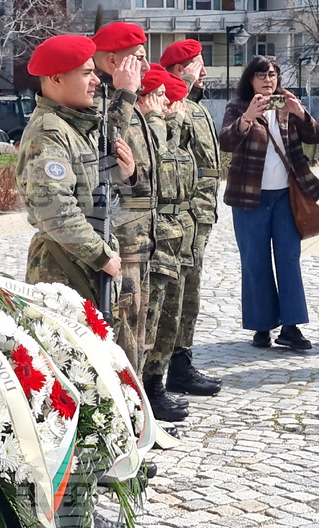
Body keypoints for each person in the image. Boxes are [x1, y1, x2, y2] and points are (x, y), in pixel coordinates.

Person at [17, 35, 134, 300]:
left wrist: (120, 174)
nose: (96, 81)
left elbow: (87, 186)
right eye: (86, 74)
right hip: (63, 271)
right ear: (56, 79)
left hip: (80, 263)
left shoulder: (73, 124)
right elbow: (54, 208)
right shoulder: (49, 132)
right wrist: (101, 255)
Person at [219, 56, 319, 349]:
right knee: (255, 261)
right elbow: (225, 141)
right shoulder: (238, 106)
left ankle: (291, 327)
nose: (268, 79)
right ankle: (262, 326)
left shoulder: (285, 105)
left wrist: (300, 113)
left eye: (273, 75)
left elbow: (315, 136)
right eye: (261, 75)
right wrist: (247, 118)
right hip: (249, 196)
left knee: (289, 258)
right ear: (250, 79)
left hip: (286, 196)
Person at [91, 22, 158, 381]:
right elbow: (100, 150)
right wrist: (124, 95)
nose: (146, 68)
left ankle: (141, 404)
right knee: (122, 330)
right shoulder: (101, 97)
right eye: (138, 59)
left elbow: (138, 169)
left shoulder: (125, 97)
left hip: (140, 234)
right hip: (117, 238)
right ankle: (129, 412)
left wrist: (133, 176)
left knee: (138, 327)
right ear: (114, 60)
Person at [160, 39, 222, 395]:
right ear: (182, 69)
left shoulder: (194, 106)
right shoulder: (172, 105)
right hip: (181, 216)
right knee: (175, 295)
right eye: (200, 65)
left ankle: (182, 365)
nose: (205, 72)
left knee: (190, 294)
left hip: (199, 216)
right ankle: (162, 371)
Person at [141, 68, 196, 422]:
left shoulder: (163, 128)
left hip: (173, 231)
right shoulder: (147, 130)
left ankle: (155, 385)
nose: (167, 105)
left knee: (168, 314)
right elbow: (156, 169)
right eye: (161, 97)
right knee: (150, 320)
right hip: (154, 234)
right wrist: (165, 123)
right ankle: (149, 390)